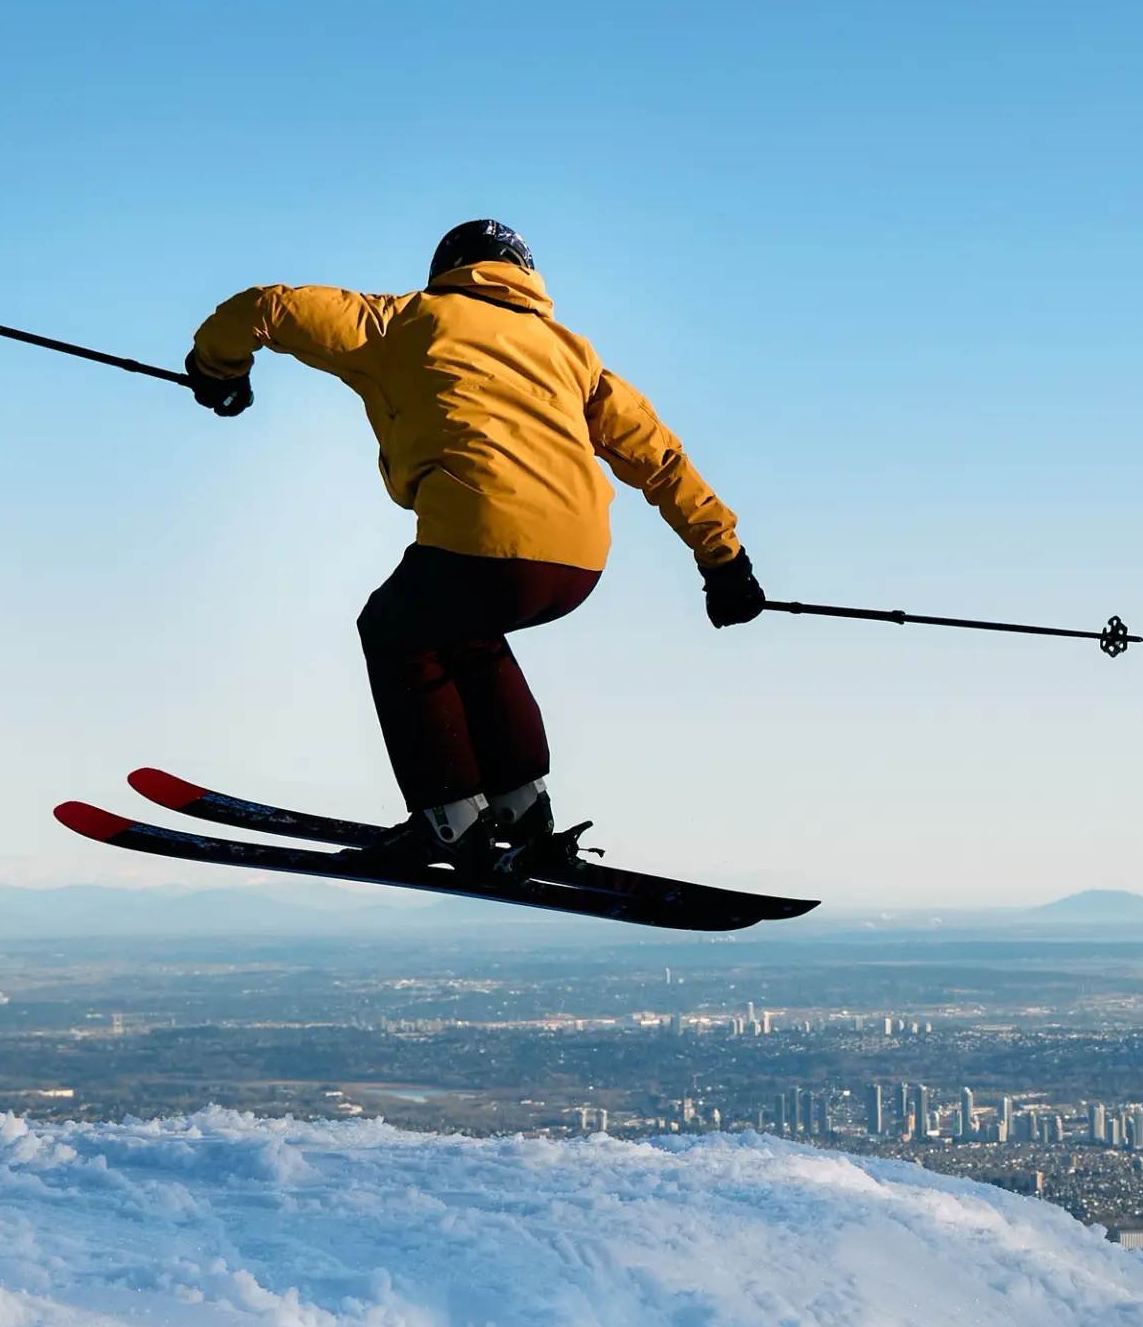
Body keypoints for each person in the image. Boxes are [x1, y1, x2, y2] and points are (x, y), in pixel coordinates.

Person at [183, 220, 765, 877]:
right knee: (466, 633)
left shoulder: (403, 319)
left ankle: (451, 823)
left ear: (448, 268)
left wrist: (217, 369)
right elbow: (659, 457)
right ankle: (523, 809)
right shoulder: (570, 355)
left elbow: (270, 309)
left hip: (482, 543)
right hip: (577, 562)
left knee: (394, 628)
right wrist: (725, 562)